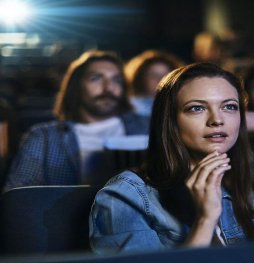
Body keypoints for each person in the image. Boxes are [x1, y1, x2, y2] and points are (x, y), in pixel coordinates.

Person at [89, 62, 254, 254]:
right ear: (170, 119)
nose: (217, 120)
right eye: (197, 108)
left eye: (229, 106)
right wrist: (205, 219)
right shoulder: (126, 195)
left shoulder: (243, 178)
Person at [3, 50, 150, 192]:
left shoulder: (150, 127)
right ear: (76, 86)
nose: (108, 87)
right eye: (96, 78)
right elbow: (18, 194)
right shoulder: (44, 137)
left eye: (116, 80)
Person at [124, 49, 184, 117]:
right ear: (140, 79)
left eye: (166, 75)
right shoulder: (131, 107)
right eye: (154, 76)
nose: (160, 80)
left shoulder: (181, 105)